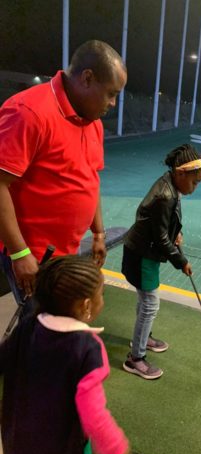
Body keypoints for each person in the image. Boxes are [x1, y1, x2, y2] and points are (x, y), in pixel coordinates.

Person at [0, 255, 131, 454]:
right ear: (85, 305)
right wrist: (118, 451)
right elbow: (94, 415)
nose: (102, 300)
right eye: (101, 294)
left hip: (17, 445)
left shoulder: (28, 326)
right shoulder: (87, 350)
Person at [0, 39, 127, 306]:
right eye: (111, 93)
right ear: (88, 78)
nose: (114, 103)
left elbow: (90, 180)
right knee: (41, 334)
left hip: (65, 253)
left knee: (55, 329)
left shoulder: (92, 122)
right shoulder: (29, 112)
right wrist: (19, 253)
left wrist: (99, 234)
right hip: (34, 256)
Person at [121, 144, 201, 380]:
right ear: (181, 173)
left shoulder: (171, 184)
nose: (195, 188)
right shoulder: (165, 195)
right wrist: (181, 260)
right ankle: (136, 359)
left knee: (145, 302)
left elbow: (163, 225)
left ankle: (143, 337)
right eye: (195, 182)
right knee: (150, 304)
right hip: (142, 255)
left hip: (144, 252)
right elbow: (160, 237)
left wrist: (174, 233)